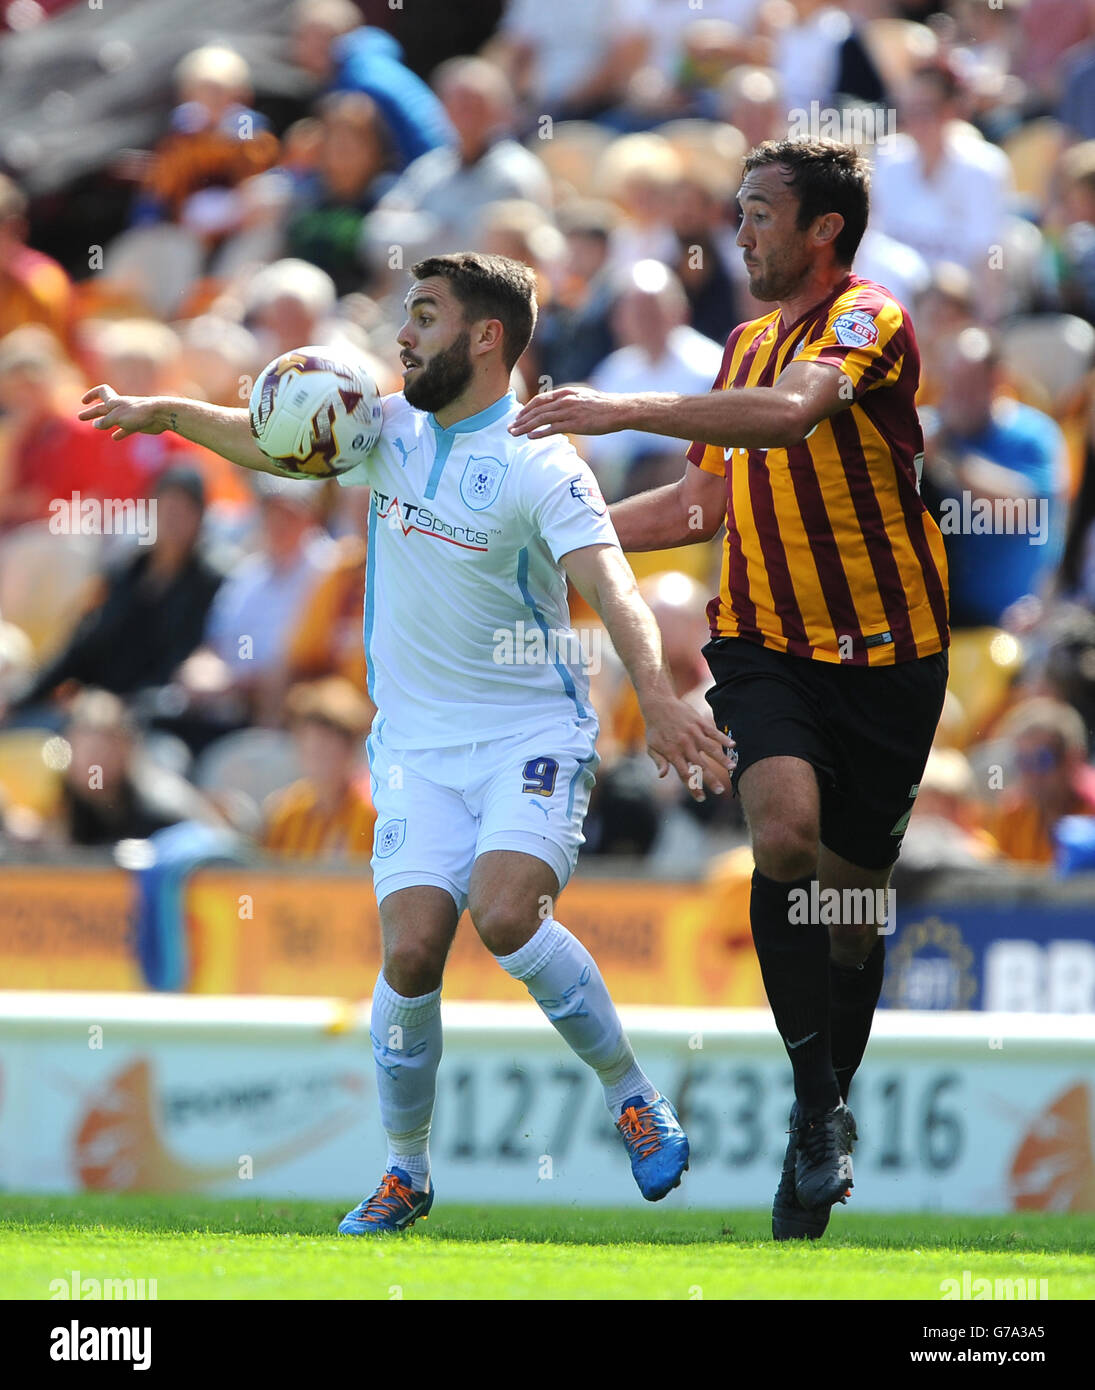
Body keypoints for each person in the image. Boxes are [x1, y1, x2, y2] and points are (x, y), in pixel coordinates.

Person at [78, 250, 731, 1234]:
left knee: (508, 914)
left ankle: (631, 1092)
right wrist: (169, 413)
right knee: (416, 949)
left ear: (485, 338)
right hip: (417, 749)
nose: (404, 333)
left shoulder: (539, 461)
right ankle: (405, 1170)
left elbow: (615, 588)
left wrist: (663, 697)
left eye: (424, 316)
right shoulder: (382, 429)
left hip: (528, 734)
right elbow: (271, 442)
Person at [511, 140, 951, 1240]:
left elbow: (791, 416)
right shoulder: (747, 341)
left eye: (759, 213)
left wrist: (619, 410)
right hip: (763, 640)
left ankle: (821, 1121)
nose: (738, 232)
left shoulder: (869, 320)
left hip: (892, 653)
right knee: (786, 836)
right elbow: (705, 507)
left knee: (851, 914)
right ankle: (817, 1115)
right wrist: (568, 538)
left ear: (822, 232)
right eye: (738, 211)